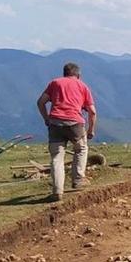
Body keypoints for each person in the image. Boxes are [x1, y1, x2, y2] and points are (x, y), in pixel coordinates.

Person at [37, 62, 96, 202]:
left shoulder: (54, 83)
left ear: (64, 73)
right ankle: (78, 179)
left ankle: (57, 190)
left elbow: (40, 102)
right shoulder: (83, 86)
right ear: (78, 75)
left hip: (55, 122)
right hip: (75, 123)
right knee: (81, 149)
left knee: (57, 157)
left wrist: (46, 119)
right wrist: (91, 130)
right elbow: (92, 112)